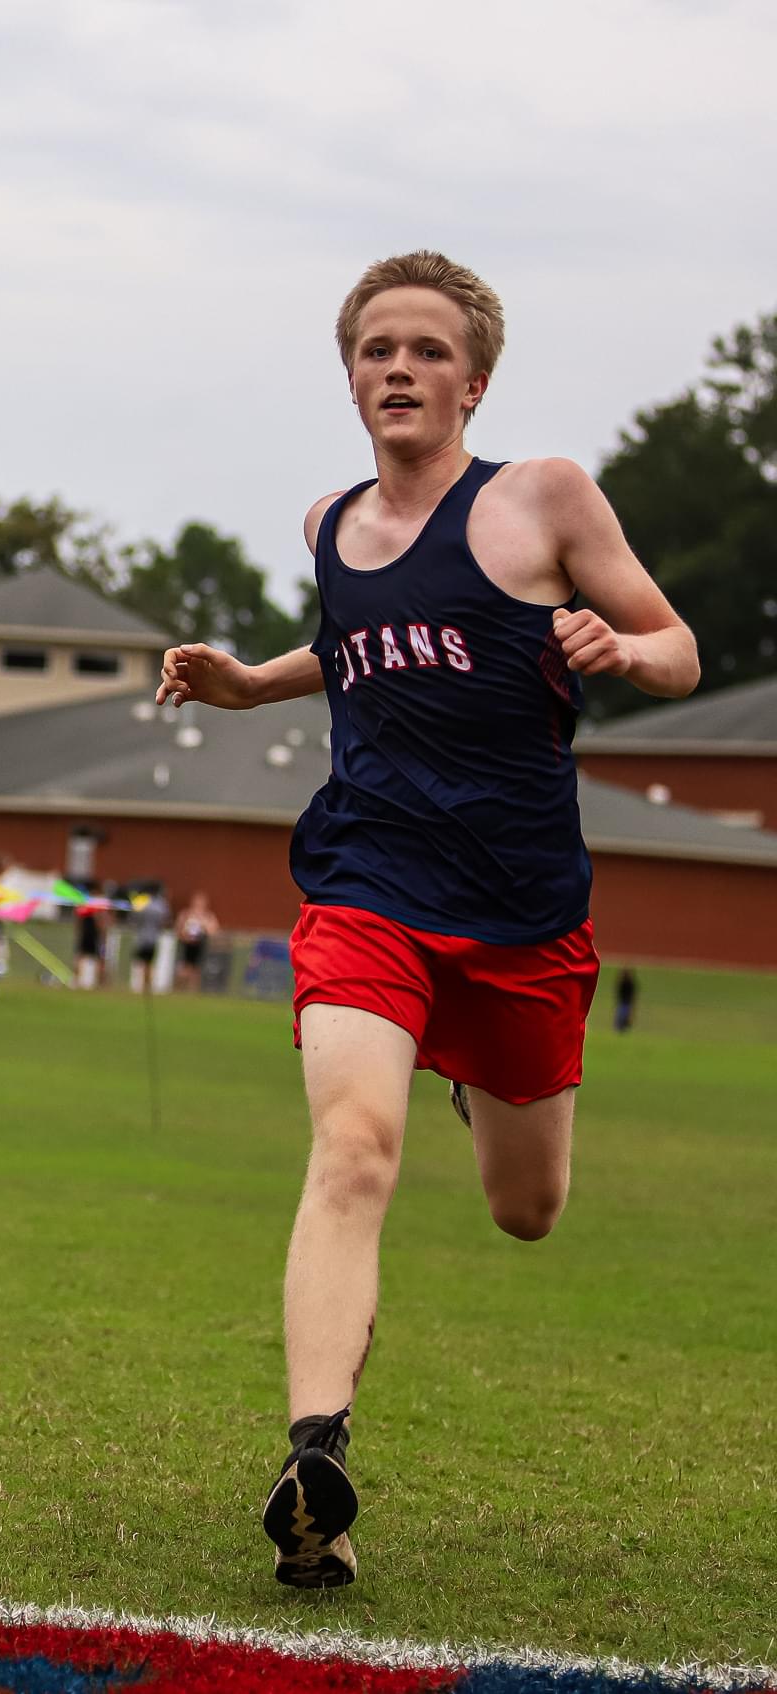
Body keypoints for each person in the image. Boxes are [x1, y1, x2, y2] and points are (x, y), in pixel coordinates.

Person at [158, 250, 698, 1588]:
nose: (396, 367)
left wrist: (620, 651)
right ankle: (314, 1463)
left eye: (424, 349)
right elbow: (355, 647)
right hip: (369, 884)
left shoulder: (542, 499)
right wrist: (246, 684)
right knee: (352, 1148)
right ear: (350, 377)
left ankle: (474, 1078)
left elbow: (677, 643)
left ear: (475, 379)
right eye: (373, 349)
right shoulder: (328, 526)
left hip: (521, 915)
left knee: (528, 1207)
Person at [175, 889, 220, 991]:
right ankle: (178, 989)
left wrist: (204, 926)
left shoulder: (208, 916)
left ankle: (192, 991)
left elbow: (214, 930)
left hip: (200, 945)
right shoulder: (186, 914)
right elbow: (178, 929)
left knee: (196, 970)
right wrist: (185, 935)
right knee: (184, 969)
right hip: (186, 945)